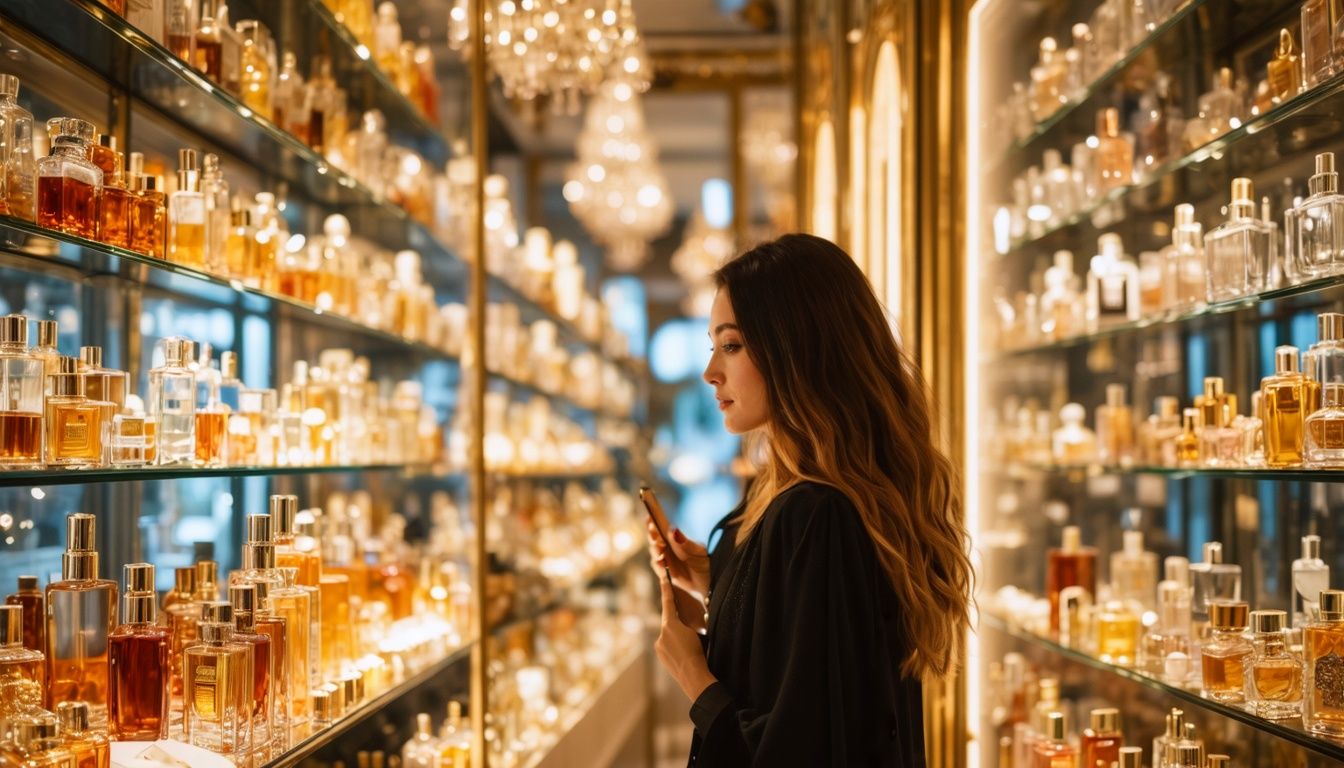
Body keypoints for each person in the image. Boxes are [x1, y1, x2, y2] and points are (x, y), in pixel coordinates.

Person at [648, 234, 972, 767]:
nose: (711, 372)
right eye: (713, 346)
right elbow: (806, 649)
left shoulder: (816, 511)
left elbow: (800, 746)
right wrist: (720, 581)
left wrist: (694, 678)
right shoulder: (804, 499)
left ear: (795, 348)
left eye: (731, 346)